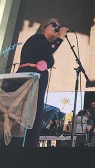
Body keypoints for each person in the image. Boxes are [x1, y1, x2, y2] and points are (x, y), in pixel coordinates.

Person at [13, 18, 69, 147]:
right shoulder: (37, 38)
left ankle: (30, 144)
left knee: (36, 112)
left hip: (38, 78)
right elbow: (46, 52)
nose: (57, 27)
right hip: (29, 78)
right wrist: (60, 38)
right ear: (44, 26)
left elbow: (48, 57)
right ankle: (19, 144)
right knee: (27, 111)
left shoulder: (45, 45)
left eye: (59, 25)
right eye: (54, 24)